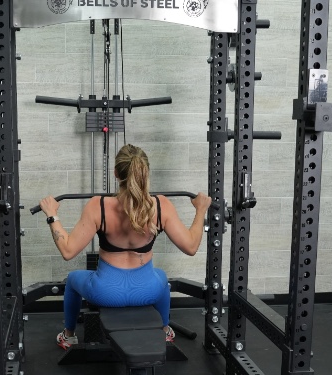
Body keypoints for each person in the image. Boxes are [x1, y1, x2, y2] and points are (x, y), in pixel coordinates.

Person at [39, 144, 211, 350]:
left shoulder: (98, 206)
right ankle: (165, 332)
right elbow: (191, 246)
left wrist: (52, 214)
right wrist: (201, 210)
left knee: (73, 279)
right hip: (148, 290)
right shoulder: (161, 205)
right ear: (145, 173)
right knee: (161, 278)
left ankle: (69, 335)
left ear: (115, 173)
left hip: (105, 293)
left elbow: (67, 251)